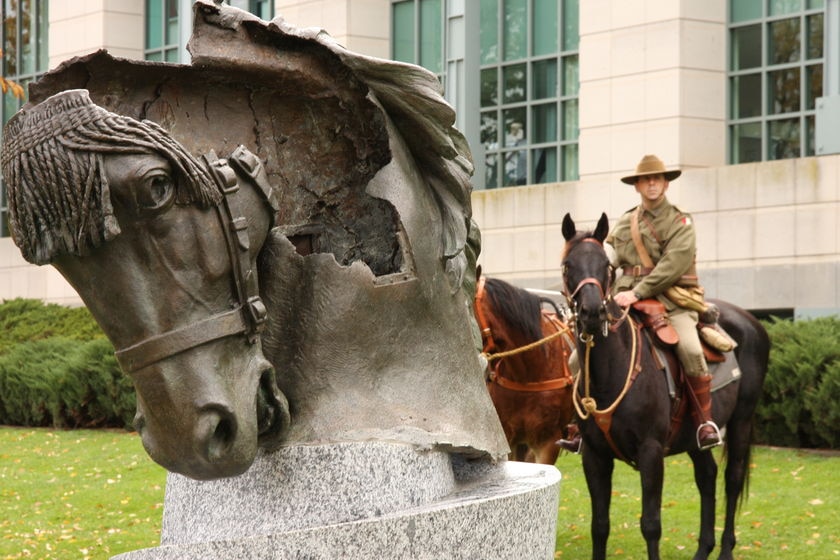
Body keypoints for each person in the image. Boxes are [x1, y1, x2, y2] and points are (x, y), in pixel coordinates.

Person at [605, 154, 722, 450]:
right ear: (637, 186)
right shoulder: (625, 221)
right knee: (582, 352)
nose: (652, 184)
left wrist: (638, 292)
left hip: (671, 300)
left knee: (690, 349)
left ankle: (704, 423)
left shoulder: (680, 221)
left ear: (666, 183)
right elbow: (611, 257)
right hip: (624, 300)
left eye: (657, 178)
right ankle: (578, 422)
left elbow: (673, 266)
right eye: (645, 179)